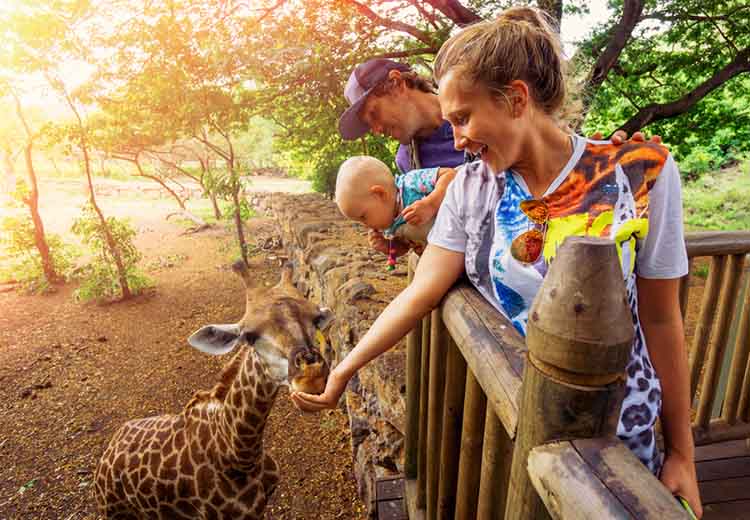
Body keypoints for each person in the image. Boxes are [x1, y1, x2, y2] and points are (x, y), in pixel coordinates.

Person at [297, 6, 702, 517]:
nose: (459, 139)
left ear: (515, 98)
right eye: (450, 123)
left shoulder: (643, 174)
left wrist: (683, 453)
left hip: (622, 434)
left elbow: (663, 319)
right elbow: (420, 292)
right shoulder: (470, 188)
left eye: (463, 118)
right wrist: (345, 370)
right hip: (515, 423)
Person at [335, 156, 456, 251]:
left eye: (363, 217)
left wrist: (431, 203)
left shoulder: (411, 183)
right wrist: (389, 246)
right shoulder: (391, 226)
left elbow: (450, 175)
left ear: (379, 194)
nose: (365, 226)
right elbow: (405, 247)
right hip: (441, 255)